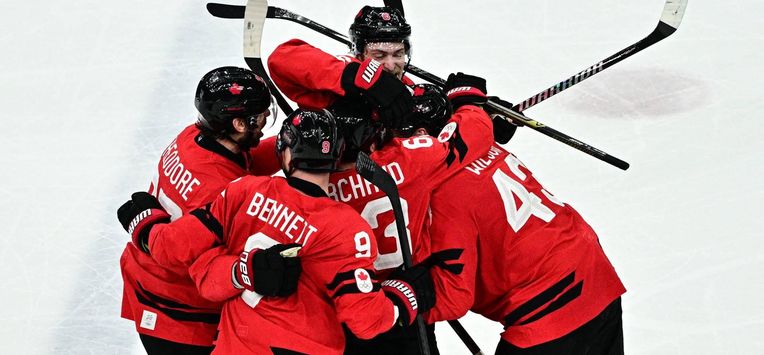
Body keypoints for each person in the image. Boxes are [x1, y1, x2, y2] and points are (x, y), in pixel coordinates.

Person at [117, 109, 428, 355]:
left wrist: (145, 225)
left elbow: (185, 259)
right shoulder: (348, 229)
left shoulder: (242, 191)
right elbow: (366, 321)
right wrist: (404, 297)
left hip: (233, 346)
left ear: (285, 154)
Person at [118, 66, 281, 354]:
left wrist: (290, 146)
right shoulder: (216, 190)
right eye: (260, 117)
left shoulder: (192, 136)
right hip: (179, 312)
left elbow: (243, 163)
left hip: (149, 281)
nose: (265, 121)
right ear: (239, 125)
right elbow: (199, 262)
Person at [424, 143, 626, 354]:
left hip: (548, 309)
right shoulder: (478, 143)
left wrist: (400, 303)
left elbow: (454, 298)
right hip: (594, 273)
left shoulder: (442, 194)